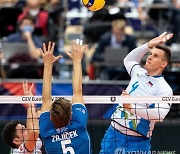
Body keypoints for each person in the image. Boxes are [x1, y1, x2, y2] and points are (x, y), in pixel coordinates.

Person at [100, 32, 173, 153]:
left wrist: (131, 107)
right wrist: (148, 45)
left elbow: (160, 115)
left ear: (163, 64)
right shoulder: (138, 72)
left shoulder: (164, 88)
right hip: (113, 134)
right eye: (150, 54)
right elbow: (128, 59)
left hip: (137, 141)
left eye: (155, 56)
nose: (149, 57)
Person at [39, 40, 92, 153]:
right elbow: (77, 92)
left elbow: (45, 100)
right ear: (71, 115)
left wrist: (47, 65)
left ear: (51, 118)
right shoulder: (79, 125)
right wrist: (77, 60)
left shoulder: (46, 132)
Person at [1, 81, 42, 153]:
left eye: (25, 128)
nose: (27, 130)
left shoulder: (32, 144)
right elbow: (33, 132)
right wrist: (30, 102)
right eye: (23, 130)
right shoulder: (21, 151)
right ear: (16, 141)